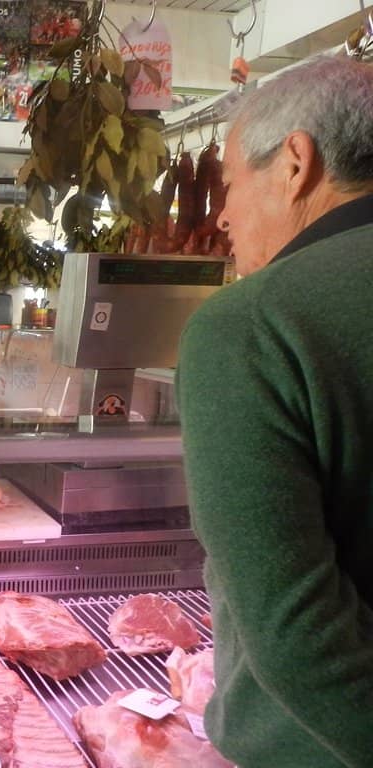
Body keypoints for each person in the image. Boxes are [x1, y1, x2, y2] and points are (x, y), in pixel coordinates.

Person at [176, 54, 373, 768]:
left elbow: (297, 633)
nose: (222, 213)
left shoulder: (253, 323)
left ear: (295, 163)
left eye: (230, 182)